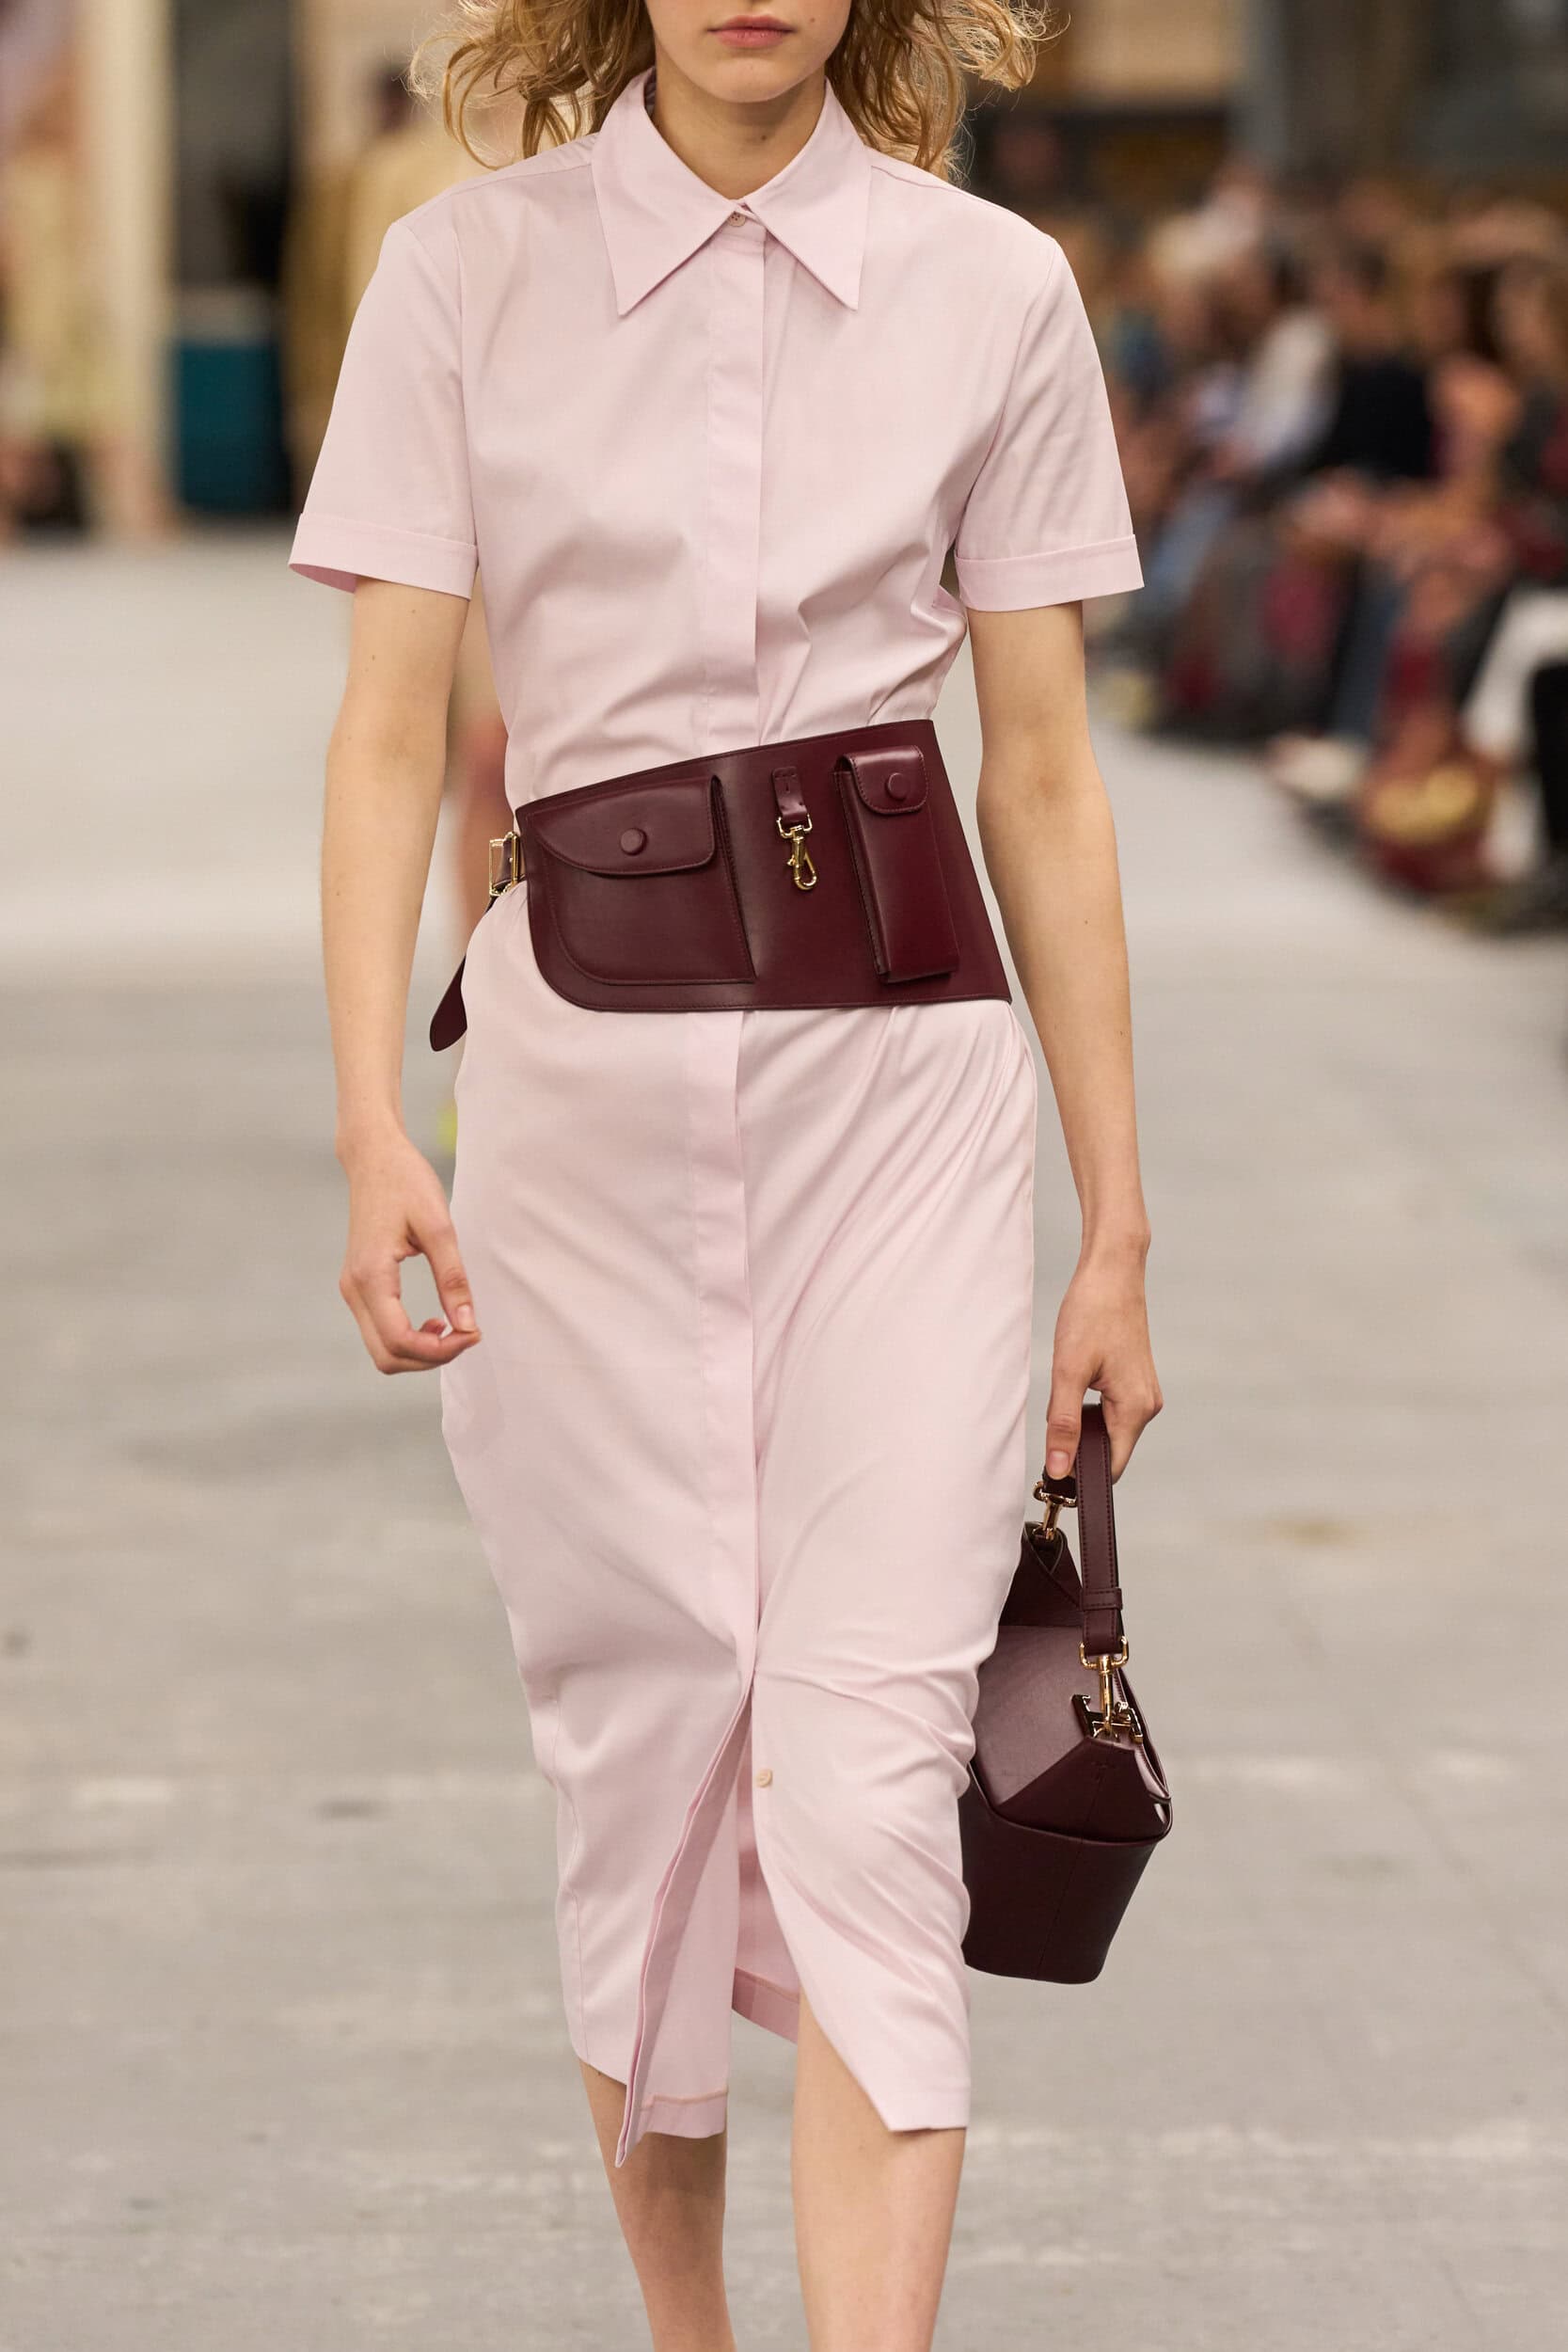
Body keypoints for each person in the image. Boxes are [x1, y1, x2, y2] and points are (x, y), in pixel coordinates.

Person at [290, 2, 1162, 2344]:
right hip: (575, 1105)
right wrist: (374, 1120)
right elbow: (390, 732)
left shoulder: (994, 291)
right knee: (650, 1745)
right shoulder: (466, 276)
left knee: (872, 1771)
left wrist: (1118, 1222)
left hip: (906, 1101)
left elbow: (1044, 776)